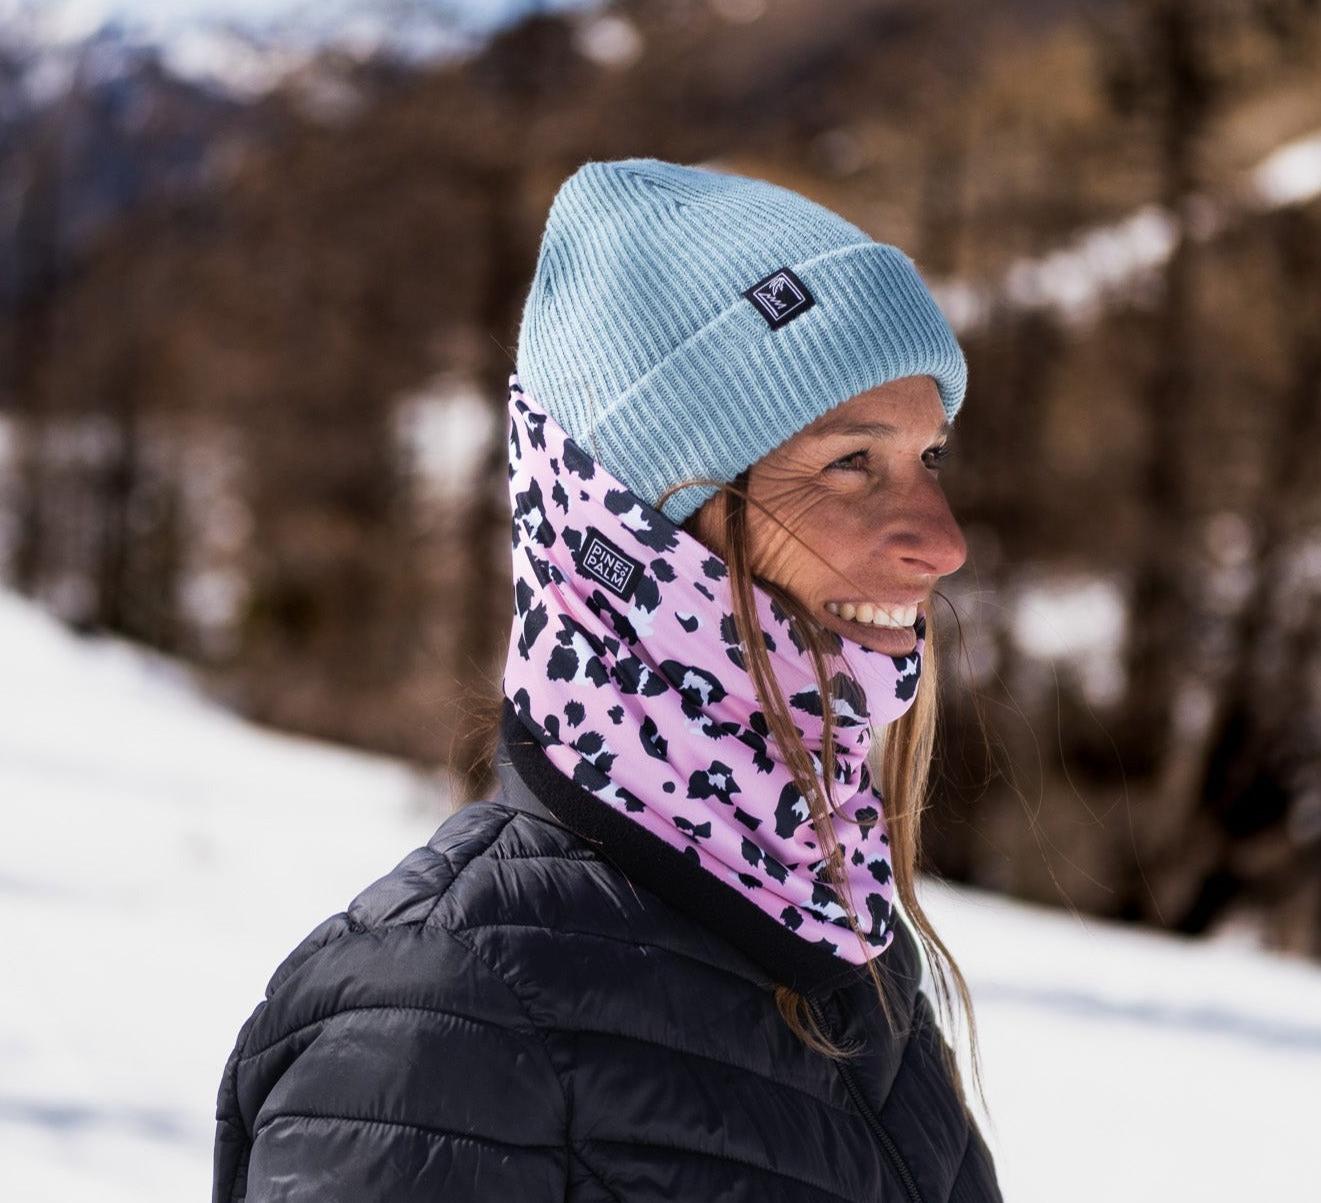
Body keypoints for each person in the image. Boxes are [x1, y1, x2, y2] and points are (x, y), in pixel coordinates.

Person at [213, 159, 1002, 1202]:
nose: (942, 542)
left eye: (928, 458)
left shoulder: (838, 939)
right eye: (851, 462)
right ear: (630, 527)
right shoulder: (436, 1025)